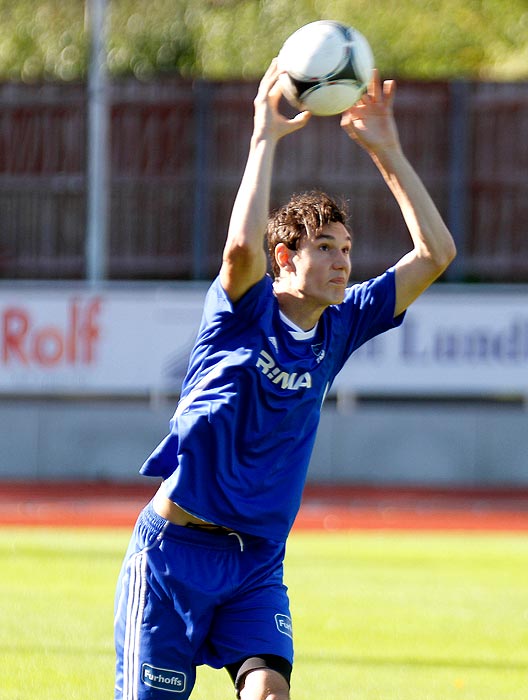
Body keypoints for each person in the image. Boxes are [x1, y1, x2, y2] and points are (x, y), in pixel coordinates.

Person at [113, 57, 456, 700]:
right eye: (324, 247)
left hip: (256, 564)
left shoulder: (341, 326)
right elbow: (237, 252)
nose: (342, 261)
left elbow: (436, 255)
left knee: (269, 692)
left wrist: (388, 154)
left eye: (347, 248)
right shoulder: (243, 311)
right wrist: (264, 138)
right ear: (285, 258)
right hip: (174, 556)